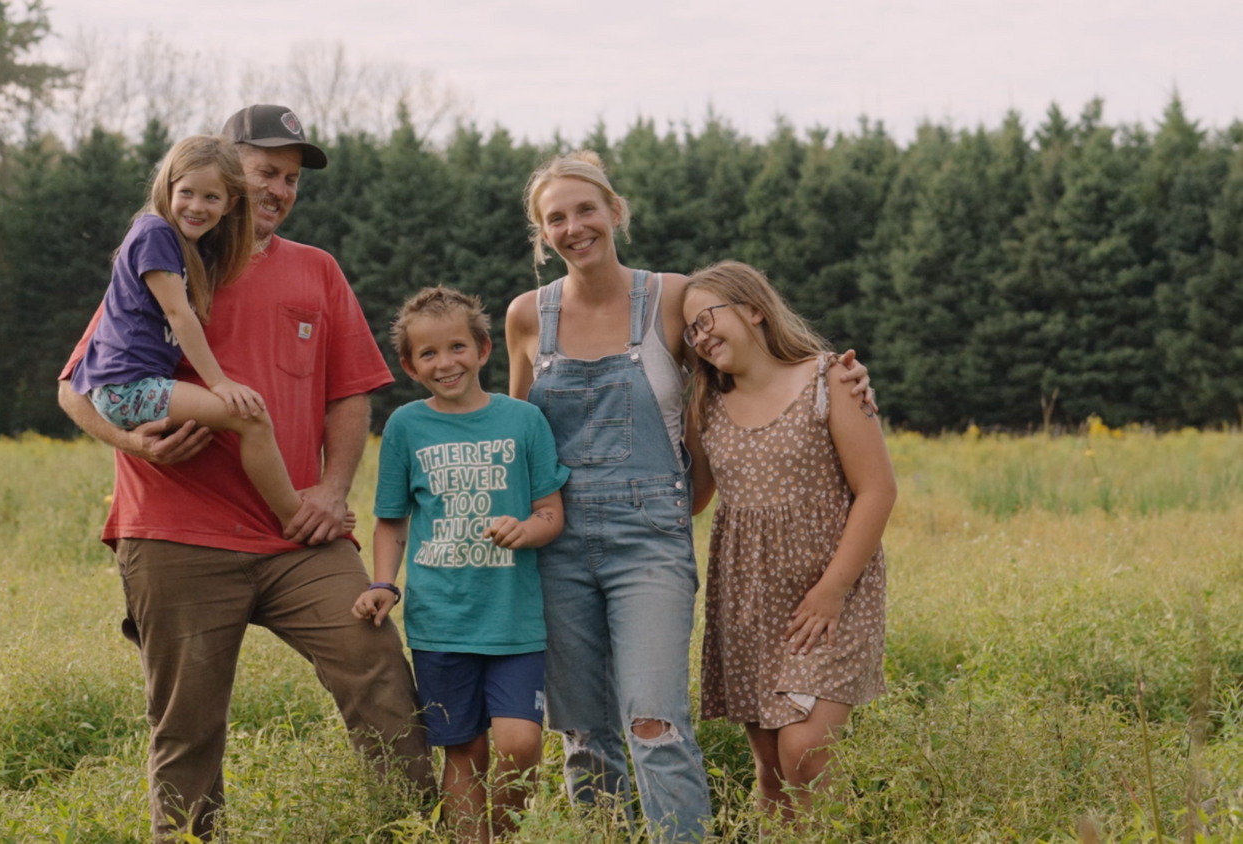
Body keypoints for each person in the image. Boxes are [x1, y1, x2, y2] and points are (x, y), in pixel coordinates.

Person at [56, 104, 432, 842]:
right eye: (266, 171)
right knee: (187, 728)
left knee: (378, 666)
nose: (280, 189)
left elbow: (349, 391)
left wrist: (331, 491)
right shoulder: (168, 253)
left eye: (291, 179)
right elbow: (74, 386)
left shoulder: (316, 270)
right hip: (177, 533)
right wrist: (133, 446)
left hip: (298, 533)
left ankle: (412, 829)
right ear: (224, 172)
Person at [503, 151, 874, 842]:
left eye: (586, 208)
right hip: (557, 550)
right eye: (556, 218)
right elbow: (518, 435)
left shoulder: (670, 297)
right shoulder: (527, 316)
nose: (574, 226)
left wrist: (840, 378)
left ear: (615, 211)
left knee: (655, 720)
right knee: (584, 734)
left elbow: (746, 357)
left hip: (649, 545)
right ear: (542, 234)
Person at [353, 287, 568, 843]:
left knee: (521, 744)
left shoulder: (523, 420)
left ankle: (502, 833)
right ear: (409, 365)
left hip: (514, 622)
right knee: (463, 748)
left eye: (456, 347)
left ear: (483, 349)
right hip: (441, 621)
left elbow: (550, 512)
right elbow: (392, 521)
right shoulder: (404, 426)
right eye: (428, 354)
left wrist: (526, 530)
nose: (444, 363)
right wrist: (383, 584)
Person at [683, 260, 893, 820]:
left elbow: (876, 491)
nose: (701, 335)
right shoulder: (705, 407)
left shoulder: (830, 380)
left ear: (753, 308)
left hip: (830, 596)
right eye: (690, 330)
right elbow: (694, 498)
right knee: (773, 771)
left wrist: (832, 590)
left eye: (708, 317)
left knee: (805, 751)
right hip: (748, 604)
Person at [68, 134, 300, 527]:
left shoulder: (186, 244)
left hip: (128, 383)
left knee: (247, 418)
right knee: (250, 417)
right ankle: (294, 517)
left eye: (211, 198)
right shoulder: (155, 234)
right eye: (187, 192)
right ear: (167, 188)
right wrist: (219, 383)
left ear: (230, 205)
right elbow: (178, 314)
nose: (196, 206)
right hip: (127, 387)